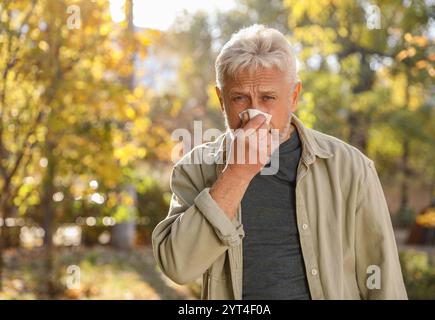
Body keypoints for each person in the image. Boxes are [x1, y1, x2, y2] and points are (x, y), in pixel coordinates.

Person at [152, 24, 407, 300]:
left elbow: (382, 278)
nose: (254, 113)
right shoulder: (194, 168)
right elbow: (178, 267)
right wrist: (236, 174)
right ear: (221, 100)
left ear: (294, 96)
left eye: (268, 98)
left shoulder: (351, 168)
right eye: (239, 98)